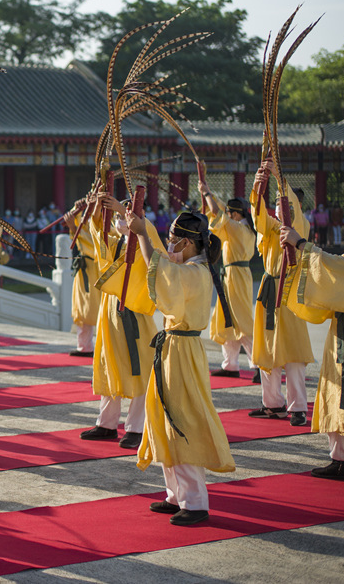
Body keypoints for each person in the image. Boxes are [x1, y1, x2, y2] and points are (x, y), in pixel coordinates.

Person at [128, 209, 235, 526]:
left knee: (182, 421)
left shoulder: (194, 273)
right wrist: (142, 230)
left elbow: (163, 274)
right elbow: (164, 268)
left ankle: (195, 501)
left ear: (188, 244)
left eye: (174, 241)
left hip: (183, 351)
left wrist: (143, 236)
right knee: (165, 417)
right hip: (173, 348)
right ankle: (175, 495)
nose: (169, 246)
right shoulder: (192, 267)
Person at [281, 196, 344, 493]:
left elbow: (337, 270)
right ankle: (341, 458)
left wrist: (303, 246)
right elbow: (333, 272)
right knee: (337, 391)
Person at [80, 194, 159, 450]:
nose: (118, 220)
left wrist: (129, 216)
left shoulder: (146, 237)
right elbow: (98, 237)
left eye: (122, 215)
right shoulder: (117, 244)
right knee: (109, 364)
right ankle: (107, 423)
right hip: (110, 310)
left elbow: (154, 254)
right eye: (116, 217)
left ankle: (136, 427)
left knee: (139, 369)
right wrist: (95, 207)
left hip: (134, 312)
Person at [249, 163, 313, 424]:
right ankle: (272, 403)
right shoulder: (273, 229)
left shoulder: (301, 225)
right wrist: (258, 187)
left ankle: (297, 407)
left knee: (293, 352)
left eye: (283, 203)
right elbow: (259, 219)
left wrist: (279, 178)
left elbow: (293, 217)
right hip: (268, 290)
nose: (278, 207)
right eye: (276, 203)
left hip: (288, 291)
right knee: (267, 349)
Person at [198, 185, 257, 379]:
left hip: (237, 276)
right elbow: (221, 209)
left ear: (236, 214)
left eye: (231, 213)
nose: (228, 215)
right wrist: (206, 189)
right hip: (233, 275)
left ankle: (257, 365)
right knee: (228, 319)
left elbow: (217, 211)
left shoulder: (239, 228)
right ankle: (230, 365)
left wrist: (207, 193)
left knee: (242, 321)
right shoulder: (242, 227)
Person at [64, 202, 101, 357]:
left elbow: (94, 248)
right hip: (84, 268)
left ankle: (102, 347)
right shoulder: (88, 218)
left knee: (95, 308)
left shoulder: (104, 220)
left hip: (96, 269)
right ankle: (84, 346)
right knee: (81, 308)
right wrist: (77, 208)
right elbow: (74, 220)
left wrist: (73, 227)